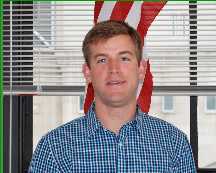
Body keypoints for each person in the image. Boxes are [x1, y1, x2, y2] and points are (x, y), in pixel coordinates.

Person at [28, 20, 196, 173]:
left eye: (124, 58)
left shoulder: (174, 144)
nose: (114, 69)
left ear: (141, 70)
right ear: (88, 72)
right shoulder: (54, 148)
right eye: (102, 60)